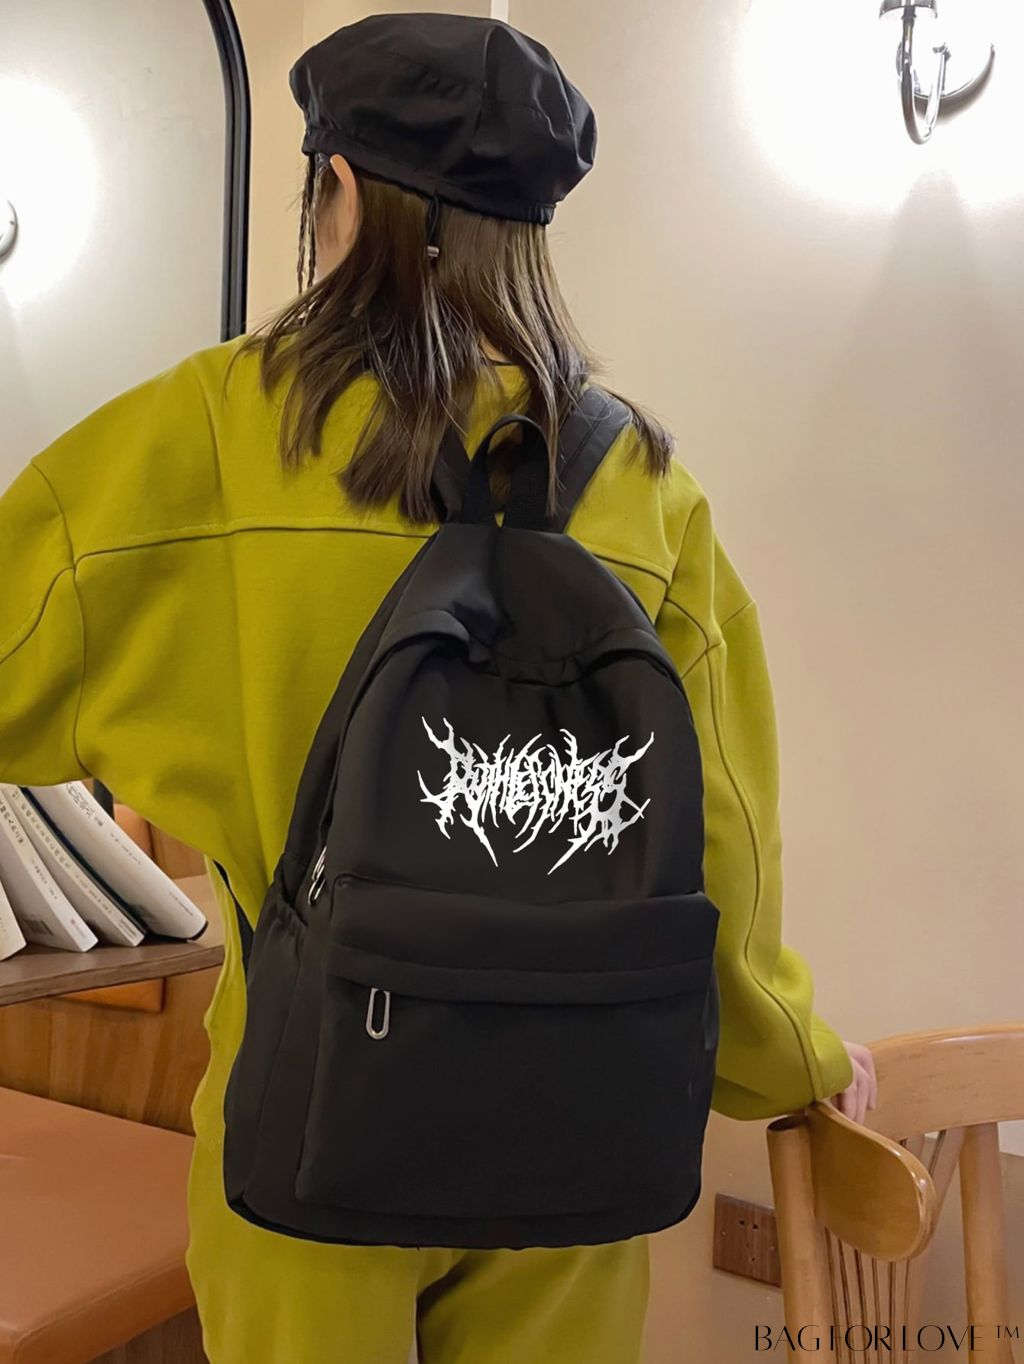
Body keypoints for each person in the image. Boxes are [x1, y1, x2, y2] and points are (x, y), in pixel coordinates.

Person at [0, 13, 876, 1363]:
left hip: (312, 1120)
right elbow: (721, 853)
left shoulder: (210, 435)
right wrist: (793, 1060)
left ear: (340, 188)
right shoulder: (647, 488)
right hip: (577, 1126)